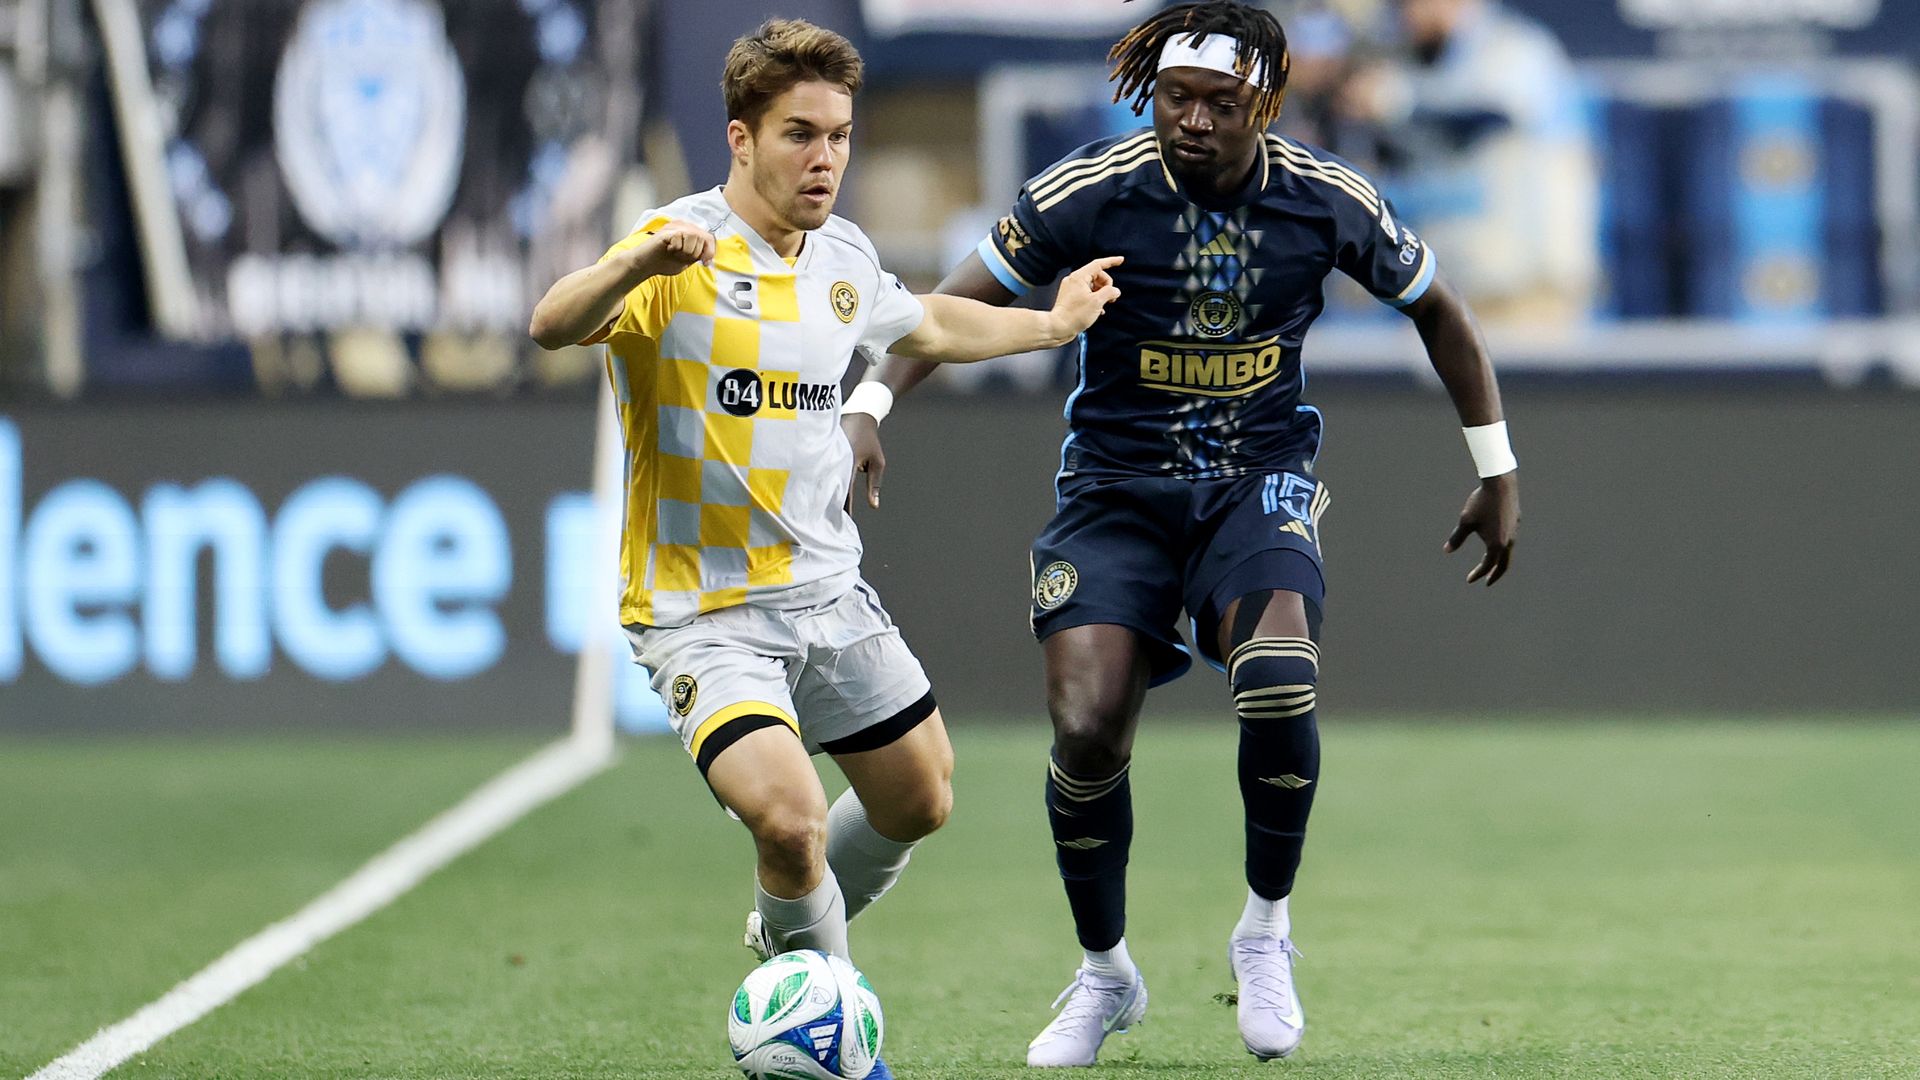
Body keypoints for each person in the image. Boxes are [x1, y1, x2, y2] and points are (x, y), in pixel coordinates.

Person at [840, 1, 1519, 1067]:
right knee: (1086, 733)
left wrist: (1495, 467)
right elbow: (950, 305)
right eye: (1173, 97)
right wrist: (871, 407)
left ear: (1267, 105)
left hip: (1257, 483)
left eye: (1219, 103)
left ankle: (1265, 932)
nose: (1191, 120)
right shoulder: (1090, 189)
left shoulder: (1326, 198)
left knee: (1281, 675)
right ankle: (1105, 972)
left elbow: (1440, 309)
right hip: (1114, 494)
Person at [528, 19, 1121, 1076]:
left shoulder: (844, 259)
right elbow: (551, 323)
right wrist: (633, 263)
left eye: (841, 136)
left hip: (828, 596)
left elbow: (930, 325)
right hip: (703, 614)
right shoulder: (677, 248)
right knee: (794, 823)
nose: (826, 159)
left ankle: (784, 931)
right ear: (741, 138)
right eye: (801, 135)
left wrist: (1050, 325)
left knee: (920, 798)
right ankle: (834, 1040)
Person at [1336, 0, 1598, 324]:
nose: (1405, 18)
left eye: (1410, 6)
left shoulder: (1515, 47)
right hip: (1456, 294)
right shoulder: (1429, 65)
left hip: (1528, 298)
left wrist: (1399, 101)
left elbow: (1489, 117)